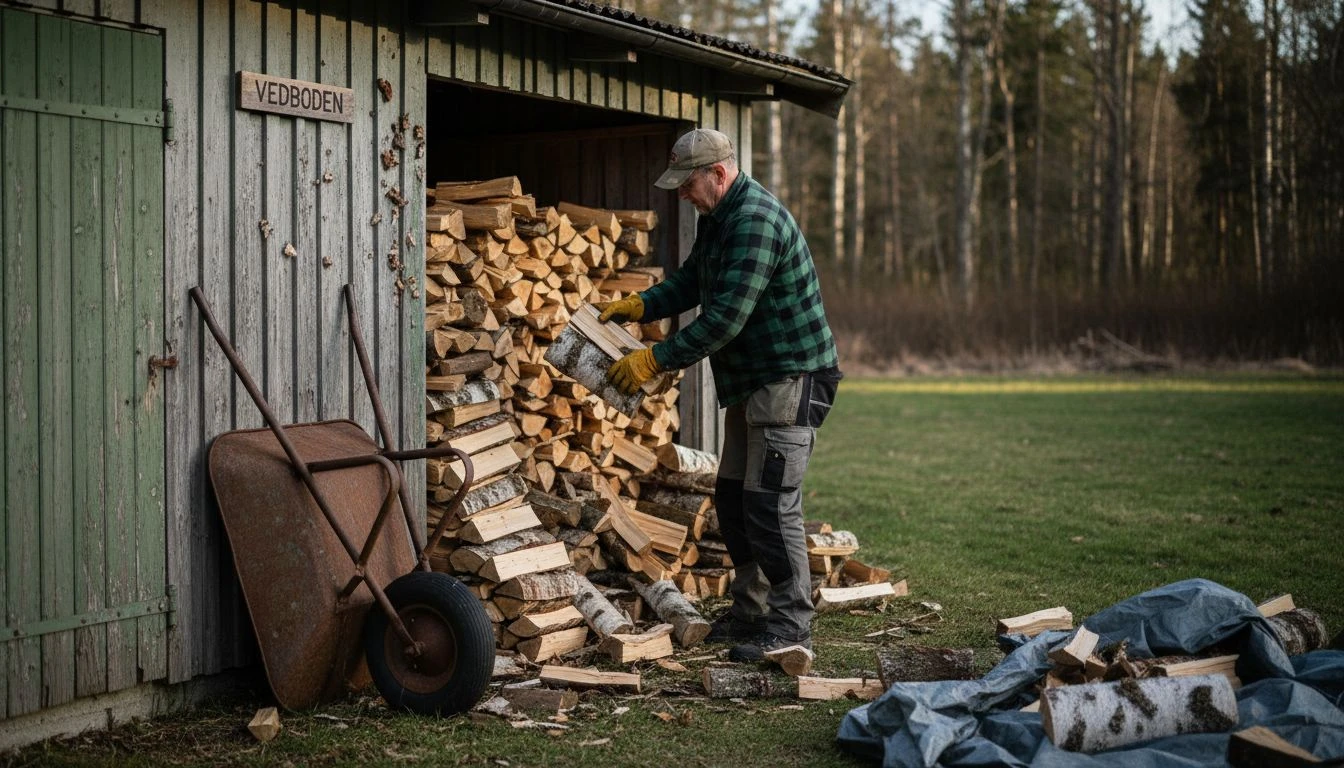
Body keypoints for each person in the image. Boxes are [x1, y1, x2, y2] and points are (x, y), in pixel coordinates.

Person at [597, 128, 843, 659]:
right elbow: (692, 284)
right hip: (754, 382)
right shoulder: (718, 218)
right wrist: (642, 305)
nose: (682, 193)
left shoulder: (754, 220)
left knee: (771, 505)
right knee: (734, 502)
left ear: (719, 174)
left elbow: (726, 318)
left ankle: (790, 625)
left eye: (688, 184)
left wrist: (653, 359)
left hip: (791, 377)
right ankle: (751, 613)